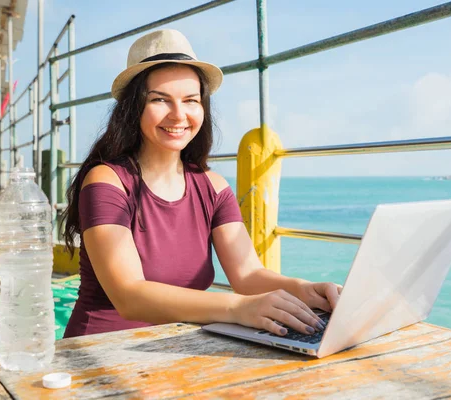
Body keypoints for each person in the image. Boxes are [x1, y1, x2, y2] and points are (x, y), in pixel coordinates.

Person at [60, 29, 342, 339]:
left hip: (179, 349)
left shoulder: (214, 187)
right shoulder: (107, 180)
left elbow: (247, 275)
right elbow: (129, 296)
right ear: (133, 108)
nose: (178, 114)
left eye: (190, 101)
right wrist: (237, 309)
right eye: (160, 100)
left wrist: (306, 290)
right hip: (100, 352)